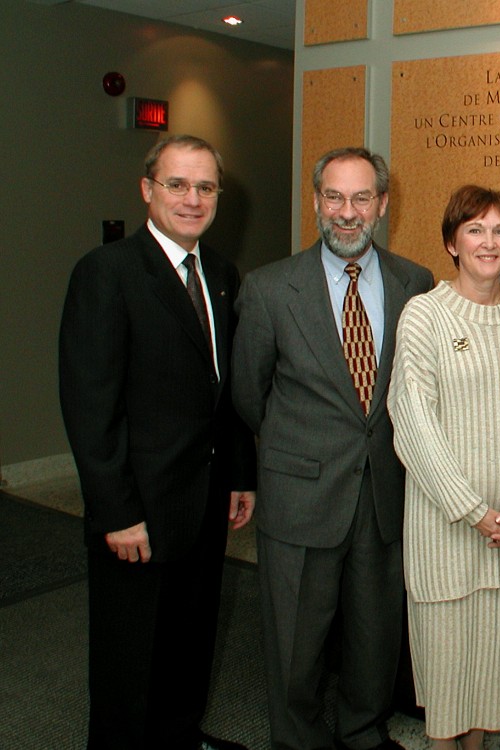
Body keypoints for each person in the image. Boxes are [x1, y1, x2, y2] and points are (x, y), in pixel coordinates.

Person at [59, 134, 257, 750]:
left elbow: (221, 392)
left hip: (201, 501)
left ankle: (178, 735)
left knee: (188, 636)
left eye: (205, 186)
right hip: (137, 512)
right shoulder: (107, 272)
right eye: (177, 184)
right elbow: (89, 407)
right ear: (148, 190)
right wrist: (117, 512)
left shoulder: (221, 273)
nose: (192, 199)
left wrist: (240, 475)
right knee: (129, 655)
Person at [232, 147, 433, 750]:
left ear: (382, 205)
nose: (347, 213)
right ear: (316, 201)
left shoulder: (414, 283)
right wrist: (303, 448)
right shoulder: (269, 288)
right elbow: (249, 393)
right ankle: (296, 740)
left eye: (361, 198)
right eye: (335, 197)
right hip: (300, 496)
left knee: (375, 634)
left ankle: (363, 730)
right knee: (295, 640)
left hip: (383, 495)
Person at [387, 184, 500, 750]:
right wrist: (471, 510)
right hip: (444, 528)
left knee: (495, 679)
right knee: (445, 683)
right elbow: (412, 421)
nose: (489, 242)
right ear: (452, 243)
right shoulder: (425, 314)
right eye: (475, 229)